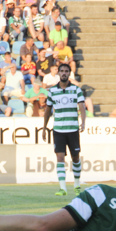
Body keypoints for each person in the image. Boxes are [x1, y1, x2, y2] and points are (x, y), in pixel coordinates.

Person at [43, 63, 86, 196]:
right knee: (60, 157)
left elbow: (82, 107)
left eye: (66, 71)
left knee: (75, 157)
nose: (64, 73)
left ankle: (77, 184)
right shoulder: (52, 91)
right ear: (59, 73)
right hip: (58, 130)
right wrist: (44, 127)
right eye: (61, 71)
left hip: (72, 129)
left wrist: (83, 122)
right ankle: (63, 188)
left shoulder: (76, 90)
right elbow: (48, 109)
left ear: (69, 74)